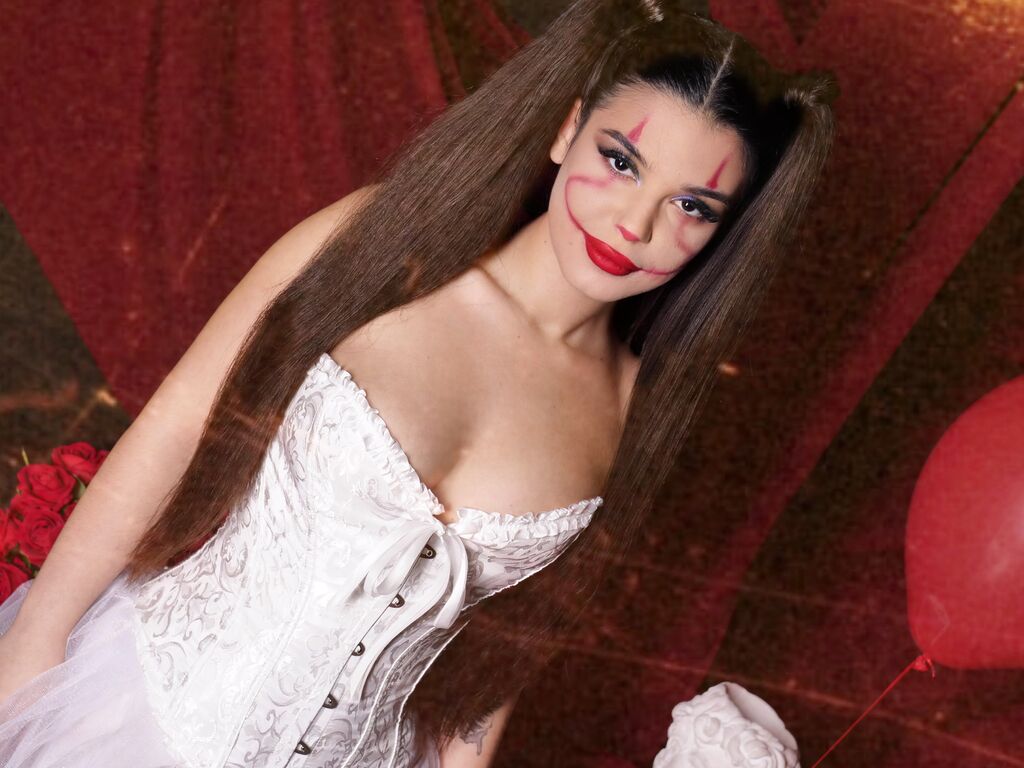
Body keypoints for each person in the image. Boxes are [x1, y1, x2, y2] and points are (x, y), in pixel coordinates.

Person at [0, 0, 836, 765]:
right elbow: (179, 424)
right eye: (620, 161)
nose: (635, 223)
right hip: (135, 711)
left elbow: (493, 672)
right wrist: (36, 641)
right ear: (567, 130)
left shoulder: (628, 415)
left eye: (692, 207)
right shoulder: (382, 246)